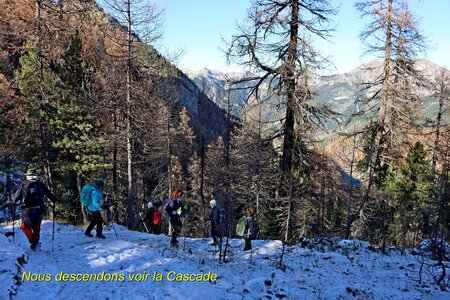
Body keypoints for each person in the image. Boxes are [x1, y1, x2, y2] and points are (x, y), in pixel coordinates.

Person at [12, 168, 58, 251]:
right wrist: (55, 199)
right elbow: (51, 196)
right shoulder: (41, 185)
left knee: (25, 227)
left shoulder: (23, 185)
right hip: (39, 209)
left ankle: (34, 242)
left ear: (27, 176)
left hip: (27, 211)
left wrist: (13, 196)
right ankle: (35, 244)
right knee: (36, 227)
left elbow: (15, 198)